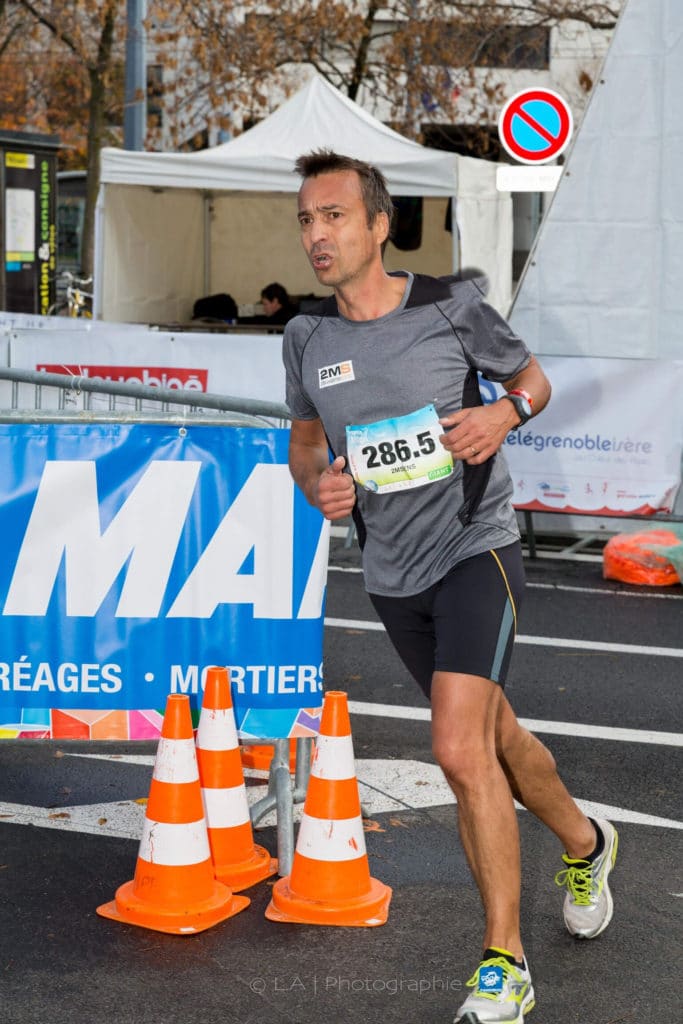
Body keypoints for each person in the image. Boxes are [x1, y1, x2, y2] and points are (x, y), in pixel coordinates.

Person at [282, 150, 618, 1024]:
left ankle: (504, 963)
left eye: (334, 217)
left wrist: (504, 413)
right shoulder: (306, 338)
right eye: (306, 221)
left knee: (458, 750)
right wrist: (316, 483)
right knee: (495, 736)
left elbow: (532, 380)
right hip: (391, 576)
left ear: (377, 225)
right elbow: (306, 442)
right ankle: (585, 842)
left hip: (477, 549)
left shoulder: (450, 305)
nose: (317, 236)